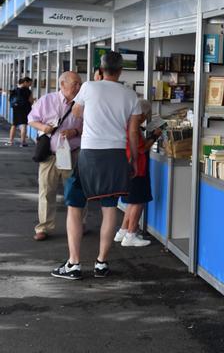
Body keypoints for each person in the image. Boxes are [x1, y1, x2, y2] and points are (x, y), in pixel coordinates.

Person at [52, 52, 140, 280]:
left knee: (75, 205)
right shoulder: (131, 95)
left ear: (100, 69)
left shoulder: (90, 86)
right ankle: (101, 263)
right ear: (121, 71)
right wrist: (132, 157)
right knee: (109, 208)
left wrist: (93, 87)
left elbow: (77, 112)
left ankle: (74, 263)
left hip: (90, 153)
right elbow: (132, 132)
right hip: (116, 154)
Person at [27, 72, 84, 241]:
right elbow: (31, 119)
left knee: (76, 191)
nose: (78, 87)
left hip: (72, 154)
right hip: (50, 156)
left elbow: (88, 126)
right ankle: (43, 227)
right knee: (46, 191)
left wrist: (75, 131)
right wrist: (43, 128)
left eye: (80, 84)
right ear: (63, 84)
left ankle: (79, 223)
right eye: (75, 83)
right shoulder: (47, 100)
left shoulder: (81, 105)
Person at [114, 99, 161, 247]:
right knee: (138, 201)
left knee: (131, 202)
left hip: (128, 167)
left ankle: (123, 230)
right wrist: (155, 136)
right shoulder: (133, 128)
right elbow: (142, 148)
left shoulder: (126, 124)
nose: (146, 117)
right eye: (146, 114)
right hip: (137, 168)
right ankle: (131, 234)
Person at [8, 77, 33, 147]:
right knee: (24, 125)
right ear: (25, 82)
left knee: (14, 124)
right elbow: (31, 101)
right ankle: (23, 142)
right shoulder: (27, 91)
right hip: (25, 109)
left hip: (16, 109)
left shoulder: (14, 90)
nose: (30, 85)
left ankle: (11, 141)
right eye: (29, 83)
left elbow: (10, 100)